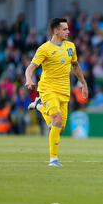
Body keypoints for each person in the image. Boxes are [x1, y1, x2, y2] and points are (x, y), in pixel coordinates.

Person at [25, 18, 88, 167]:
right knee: (57, 119)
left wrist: (84, 84)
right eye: (65, 29)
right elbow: (31, 67)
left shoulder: (71, 47)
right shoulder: (44, 49)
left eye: (68, 29)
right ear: (56, 31)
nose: (68, 31)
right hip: (48, 89)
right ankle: (53, 159)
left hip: (64, 91)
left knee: (59, 128)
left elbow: (76, 66)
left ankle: (40, 106)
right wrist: (28, 79)